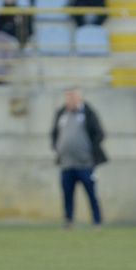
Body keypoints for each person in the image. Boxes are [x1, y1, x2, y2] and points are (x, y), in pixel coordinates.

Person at [50, 87, 107, 230]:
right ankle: (68, 221)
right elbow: (54, 134)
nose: (70, 100)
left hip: (85, 163)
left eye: (73, 96)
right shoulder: (61, 114)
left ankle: (97, 221)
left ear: (79, 98)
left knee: (91, 193)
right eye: (68, 97)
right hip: (66, 163)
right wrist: (57, 148)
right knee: (67, 194)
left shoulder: (88, 113)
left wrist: (90, 152)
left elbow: (99, 133)